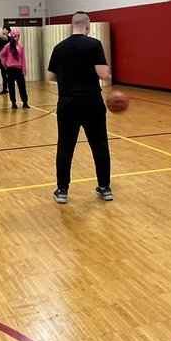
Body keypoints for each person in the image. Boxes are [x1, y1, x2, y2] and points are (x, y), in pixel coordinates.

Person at [46, 12, 111, 203]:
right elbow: (103, 74)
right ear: (87, 26)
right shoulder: (94, 45)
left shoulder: (59, 47)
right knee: (99, 145)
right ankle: (104, 187)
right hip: (91, 102)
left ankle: (62, 190)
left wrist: (67, 79)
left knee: (65, 147)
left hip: (68, 104)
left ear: (71, 25)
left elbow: (50, 77)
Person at [0, 29, 29, 109]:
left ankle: (25, 102)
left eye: (18, 36)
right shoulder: (8, 46)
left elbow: (23, 59)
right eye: (15, 36)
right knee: (11, 86)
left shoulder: (20, 47)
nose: (17, 38)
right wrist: (5, 64)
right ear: (12, 37)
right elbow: (2, 54)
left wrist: (24, 69)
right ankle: (13, 102)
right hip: (10, 69)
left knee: (22, 86)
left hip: (19, 69)